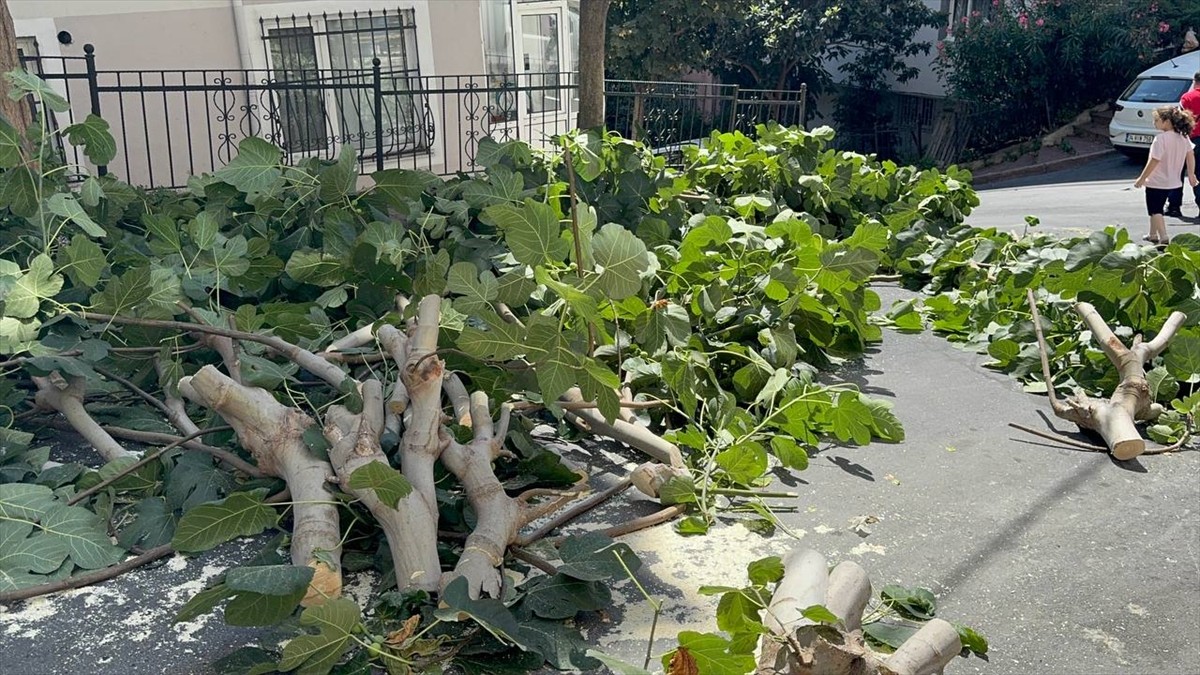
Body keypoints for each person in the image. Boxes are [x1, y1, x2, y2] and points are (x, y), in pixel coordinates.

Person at [1133, 106, 1196, 245]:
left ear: (1166, 121)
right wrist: (1191, 174)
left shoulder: (1160, 139)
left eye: (1156, 120)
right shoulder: (1183, 137)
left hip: (1156, 181)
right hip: (1173, 181)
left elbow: (1154, 160)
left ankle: (1163, 236)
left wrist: (1142, 178)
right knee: (1157, 207)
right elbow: (1190, 155)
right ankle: (1152, 234)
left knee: (1155, 210)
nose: (1154, 123)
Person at [1164, 71, 1200, 218]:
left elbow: (1179, 120)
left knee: (1177, 173)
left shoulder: (1187, 97)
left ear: (1194, 81)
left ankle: (1173, 206)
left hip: (1188, 140)